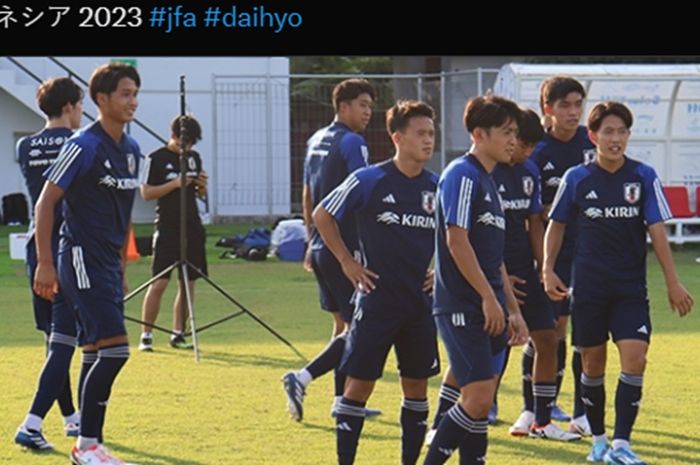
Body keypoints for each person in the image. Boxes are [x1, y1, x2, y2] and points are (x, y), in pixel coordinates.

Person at [543, 101, 694, 465]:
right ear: (593, 136)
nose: (615, 139)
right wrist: (548, 268)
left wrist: (673, 282)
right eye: (607, 132)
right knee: (592, 365)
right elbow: (557, 224)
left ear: (628, 136)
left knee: (635, 358)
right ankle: (598, 441)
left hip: (630, 289)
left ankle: (622, 443)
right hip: (590, 289)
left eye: (621, 132)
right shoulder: (577, 178)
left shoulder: (643, 176)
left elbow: (657, 230)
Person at [314, 99, 441, 465]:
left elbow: (453, 235)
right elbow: (324, 215)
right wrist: (347, 262)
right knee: (359, 386)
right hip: (377, 302)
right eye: (421, 133)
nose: (428, 141)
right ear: (397, 137)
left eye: (431, 133)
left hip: (419, 306)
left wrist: (440, 270)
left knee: (416, 388)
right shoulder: (369, 179)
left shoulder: (438, 186)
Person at [33, 63, 142, 465]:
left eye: (135, 94)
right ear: (101, 99)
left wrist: (123, 267)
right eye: (125, 94)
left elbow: (123, 214)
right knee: (117, 351)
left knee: (96, 352)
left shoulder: (131, 151)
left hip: (107, 265)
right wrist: (45, 263)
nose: (132, 101)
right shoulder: (82, 145)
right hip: (78, 257)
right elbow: (46, 204)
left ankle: (89, 443)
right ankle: (86, 445)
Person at [423, 95, 528, 465]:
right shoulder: (462, 174)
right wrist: (486, 297)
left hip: (491, 307)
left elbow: (494, 258)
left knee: (479, 403)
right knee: (480, 397)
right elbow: (456, 238)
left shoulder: (489, 183)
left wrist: (512, 309)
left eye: (515, 133)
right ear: (479, 134)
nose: (513, 140)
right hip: (463, 306)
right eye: (506, 132)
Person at [282, 78, 381, 421]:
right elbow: (363, 192)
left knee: (342, 327)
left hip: (322, 245)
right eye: (363, 105)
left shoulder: (316, 140)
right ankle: (302, 377)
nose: (369, 112)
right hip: (345, 248)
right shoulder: (353, 142)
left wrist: (312, 240)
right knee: (358, 328)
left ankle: (343, 402)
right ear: (343, 107)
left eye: (371, 106)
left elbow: (308, 193)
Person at [493, 109, 580, 440]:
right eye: (522, 144)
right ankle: (465, 412)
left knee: (547, 338)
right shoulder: (484, 172)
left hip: (525, 271)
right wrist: (496, 276)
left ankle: (541, 422)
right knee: (491, 345)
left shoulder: (528, 171)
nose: (526, 152)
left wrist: (544, 268)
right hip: (491, 273)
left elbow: (534, 224)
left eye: (530, 146)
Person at [14, 77, 84, 450]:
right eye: (82, 104)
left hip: (35, 249)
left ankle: (72, 418)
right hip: (66, 250)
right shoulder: (78, 143)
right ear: (71, 105)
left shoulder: (25, 146)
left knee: (56, 340)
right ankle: (31, 424)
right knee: (65, 340)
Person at [530, 75, 595, 433]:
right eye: (565, 105)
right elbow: (532, 211)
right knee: (548, 331)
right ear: (548, 110)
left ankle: (580, 412)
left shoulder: (592, 141)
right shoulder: (538, 151)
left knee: (582, 331)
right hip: (552, 255)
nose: (573, 112)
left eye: (577, 105)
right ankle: (535, 406)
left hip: (589, 254)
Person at [138, 114, 208, 351]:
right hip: (167, 226)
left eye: (190, 145)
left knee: (188, 284)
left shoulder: (194, 158)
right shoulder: (156, 158)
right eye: (183, 144)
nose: (186, 149)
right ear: (174, 136)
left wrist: (201, 186)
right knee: (159, 282)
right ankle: (146, 334)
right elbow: (146, 193)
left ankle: (179, 332)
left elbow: (199, 194)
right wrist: (174, 184)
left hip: (192, 226)